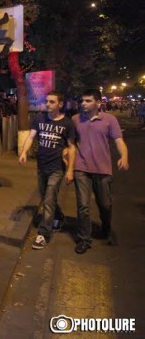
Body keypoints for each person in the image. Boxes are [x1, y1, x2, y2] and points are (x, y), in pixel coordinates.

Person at [72, 89, 129, 254]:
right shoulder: (76, 119)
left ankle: (106, 227)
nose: (84, 103)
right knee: (83, 205)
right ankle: (84, 238)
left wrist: (124, 156)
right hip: (81, 167)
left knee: (105, 204)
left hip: (102, 168)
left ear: (98, 103)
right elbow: (71, 142)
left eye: (88, 101)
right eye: (82, 100)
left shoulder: (109, 120)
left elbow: (119, 141)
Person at [18, 91, 76, 250]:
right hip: (41, 166)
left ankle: (43, 234)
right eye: (47, 101)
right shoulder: (40, 119)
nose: (48, 104)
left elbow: (71, 147)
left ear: (60, 104)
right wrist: (24, 152)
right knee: (46, 197)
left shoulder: (67, 124)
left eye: (52, 102)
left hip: (57, 168)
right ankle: (59, 217)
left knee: (49, 199)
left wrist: (70, 169)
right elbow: (31, 137)